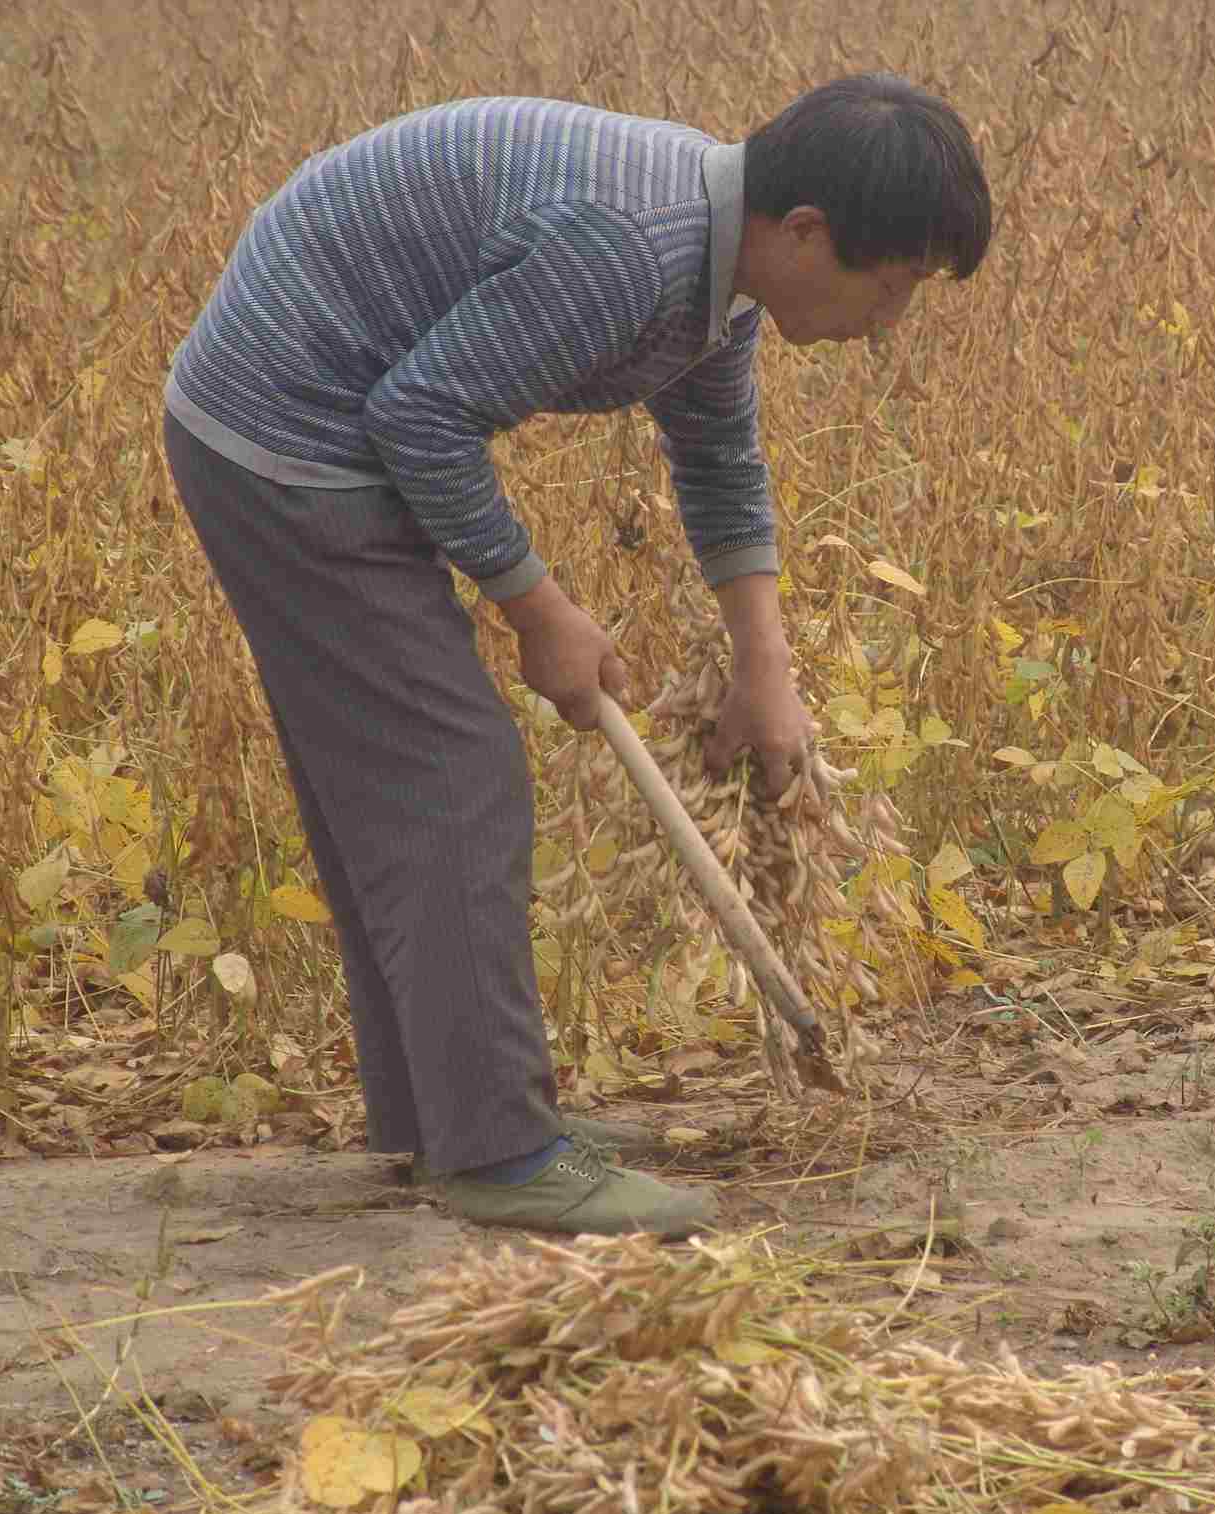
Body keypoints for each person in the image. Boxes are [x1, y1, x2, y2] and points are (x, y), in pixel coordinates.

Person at [159, 76, 991, 1239]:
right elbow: (420, 418)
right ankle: (498, 1154)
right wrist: (536, 606)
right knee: (451, 776)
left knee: (405, 785)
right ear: (805, 233)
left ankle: (450, 1119)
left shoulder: (717, 265)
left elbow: (716, 457)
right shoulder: (632, 247)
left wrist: (767, 670)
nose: (887, 323)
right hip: (285, 436)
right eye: (891, 287)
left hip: (325, 420)